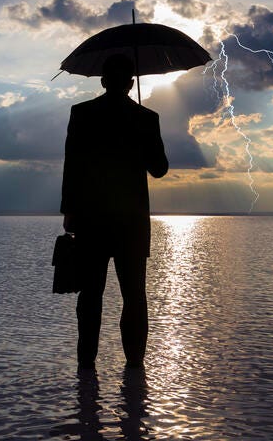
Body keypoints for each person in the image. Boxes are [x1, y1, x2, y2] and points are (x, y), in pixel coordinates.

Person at [61, 53, 169, 370]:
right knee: (134, 295)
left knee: (90, 295)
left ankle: (86, 364)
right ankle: (135, 367)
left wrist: (69, 211)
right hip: (131, 224)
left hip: (90, 219)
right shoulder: (146, 118)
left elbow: (72, 167)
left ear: (103, 80)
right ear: (131, 83)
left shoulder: (81, 113)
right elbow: (160, 169)